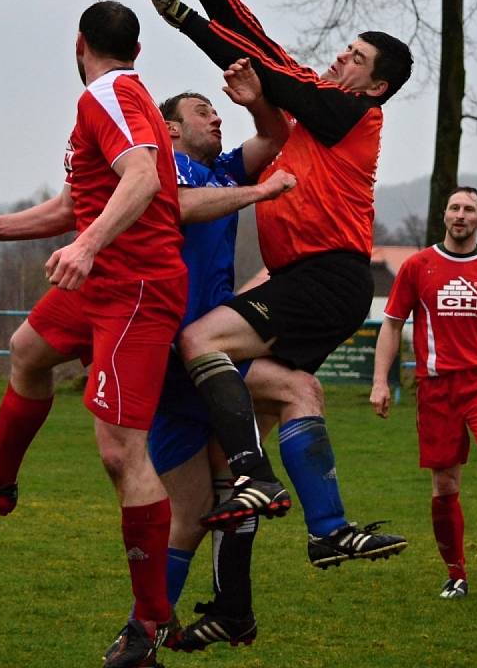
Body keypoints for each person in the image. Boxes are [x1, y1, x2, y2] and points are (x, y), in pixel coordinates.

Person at [130, 0, 412, 566]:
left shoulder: (351, 113)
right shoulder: (324, 102)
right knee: (290, 391)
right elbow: (256, 42)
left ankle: (258, 479)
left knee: (200, 338)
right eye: (345, 49)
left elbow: (263, 67)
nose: (341, 59)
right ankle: (324, 533)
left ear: (374, 86)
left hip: (326, 276)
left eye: (356, 59)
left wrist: (182, 18)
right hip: (309, 279)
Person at [0, 1, 188, 668]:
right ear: (135, 46)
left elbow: (144, 174)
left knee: (120, 451)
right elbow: (77, 204)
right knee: (25, 350)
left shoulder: (110, 92)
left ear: (80, 45)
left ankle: (150, 625)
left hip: (136, 289)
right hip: (103, 284)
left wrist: (89, 247)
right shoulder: (111, 101)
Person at [149, 81, 295, 651]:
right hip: (170, 357)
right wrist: (260, 193)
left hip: (218, 359)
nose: (215, 118)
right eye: (201, 112)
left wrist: (254, 97)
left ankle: (231, 608)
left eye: (216, 112)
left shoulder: (228, 171)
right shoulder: (165, 171)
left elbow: (275, 134)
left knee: (234, 489)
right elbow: (184, 208)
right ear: (172, 130)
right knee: (187, 512)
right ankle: (149, 625)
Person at [370, 186, 477, 599]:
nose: (460, 215)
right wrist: (380, 381)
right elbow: (391, 325)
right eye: (454, 208)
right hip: (437, 388)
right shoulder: (418, 267)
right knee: (445, 485)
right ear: (444, 216)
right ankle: (456, 573)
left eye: (469, 209)